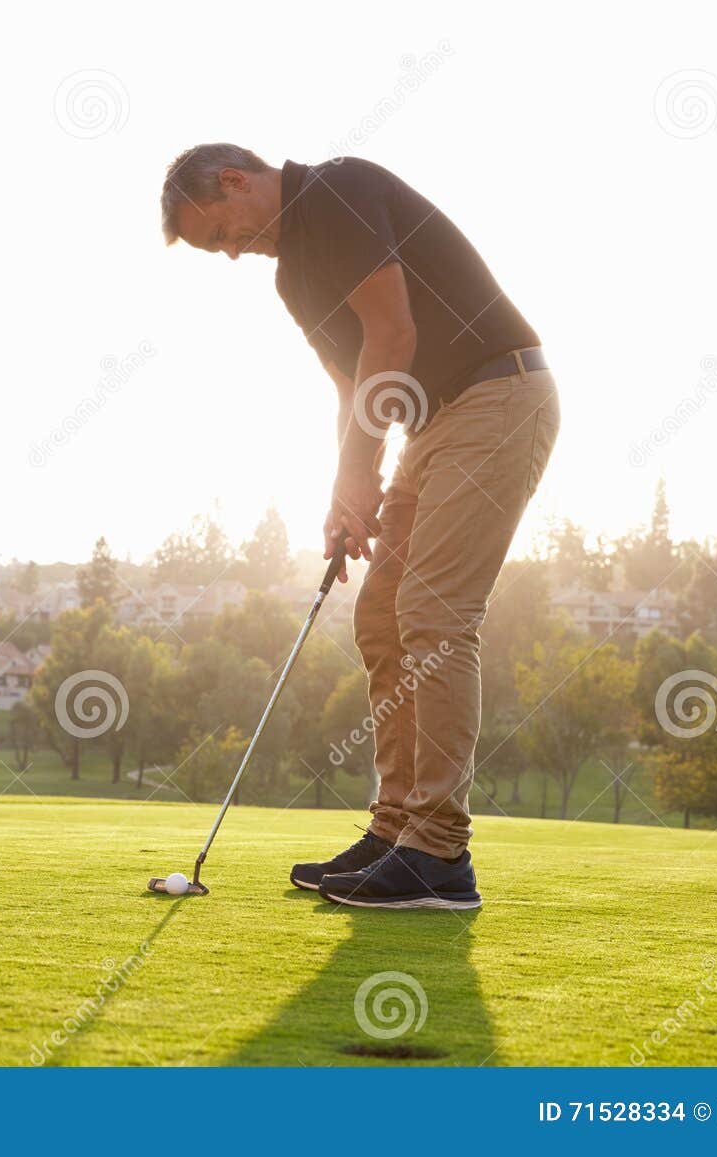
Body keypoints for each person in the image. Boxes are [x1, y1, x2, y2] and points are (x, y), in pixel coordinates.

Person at [162, 145, 559, 910]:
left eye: (224, 233)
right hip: (430, 425)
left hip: (498, 396)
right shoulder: (290, 275)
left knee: (436, 614)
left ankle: (440, 853)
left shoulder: (336, 193)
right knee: (381, 615)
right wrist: (346, 489)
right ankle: (395, 830)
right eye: (220, 250)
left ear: (237, 181)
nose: (235, 252)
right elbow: (351, 383)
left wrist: (359, 471)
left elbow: (393, 336)